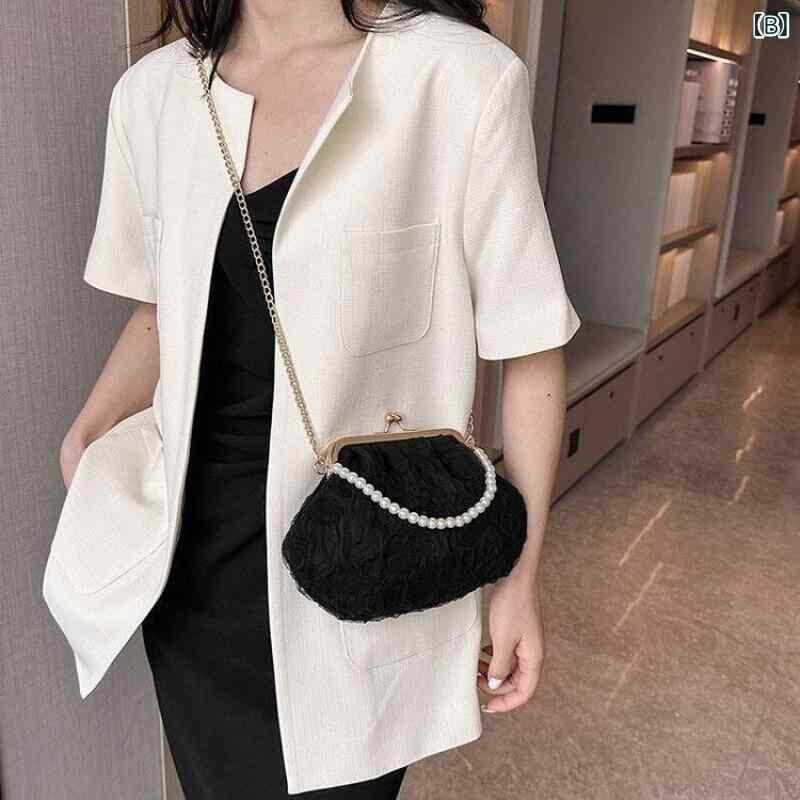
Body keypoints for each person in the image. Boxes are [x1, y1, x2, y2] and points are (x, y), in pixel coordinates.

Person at [54, 0, 582, 796]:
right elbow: (163, 307)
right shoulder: (152, 94)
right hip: (194, 563)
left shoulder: (459, 79)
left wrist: (518, 577)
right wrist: (88, 432)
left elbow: (529, 344)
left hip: (365, 549)